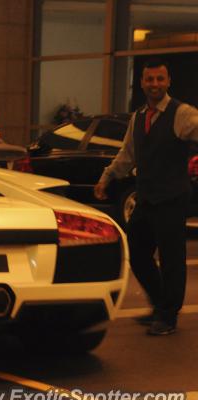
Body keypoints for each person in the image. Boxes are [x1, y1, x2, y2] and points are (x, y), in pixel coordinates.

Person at [94, 58, 198, 336]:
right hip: (147, 197)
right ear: (141, 82)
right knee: (138, 254)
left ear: (168, 81)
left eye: (160, 79)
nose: (154, 84)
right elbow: (127, 154)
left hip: (172, 197)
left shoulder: (182, 113)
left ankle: (168, 316)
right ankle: (160, 302)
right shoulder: (139, 116)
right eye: (149, 79)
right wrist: (107, 177)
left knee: (172, 259)